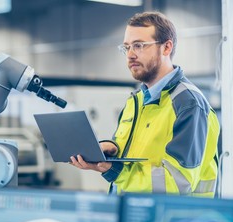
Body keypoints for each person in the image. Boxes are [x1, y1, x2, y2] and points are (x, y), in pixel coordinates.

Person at [69, 12, 220, 198]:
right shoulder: (136, 100)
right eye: (126, 47)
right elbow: (136, 155)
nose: (130, 55)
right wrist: (111, 149)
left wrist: (114, 170)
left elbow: (178, 182)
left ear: (166, 47)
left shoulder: (188, 104)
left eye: (139, 46)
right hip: (133, 214)